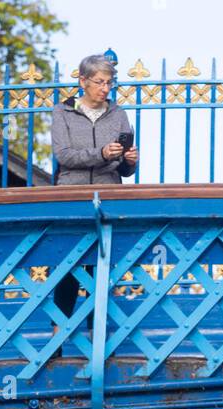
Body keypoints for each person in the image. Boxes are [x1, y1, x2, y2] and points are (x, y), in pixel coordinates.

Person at [50, 55, 140, 330]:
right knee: (68, 268)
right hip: (71, 197)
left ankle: (95, 337)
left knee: (100, 269)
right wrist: (100, 154)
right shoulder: (61, 112)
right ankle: (56, 342)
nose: (105, 88)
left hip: (109, 196)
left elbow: (124, 172)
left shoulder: (118, 114)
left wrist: (129, 161)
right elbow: (64, 156)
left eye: (109, 83)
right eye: (99, 82)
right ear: (82, 81)